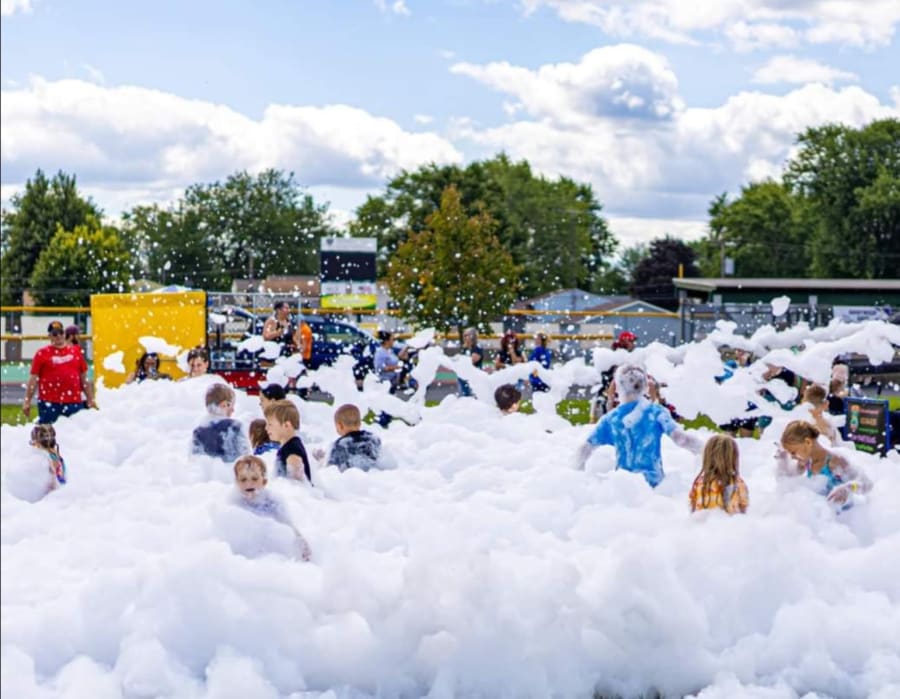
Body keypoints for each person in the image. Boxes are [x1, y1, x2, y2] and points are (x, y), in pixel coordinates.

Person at [576, 364, 703, 487]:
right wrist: (706, 452)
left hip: (623, 485)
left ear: (618, 387)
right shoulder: (655, 412)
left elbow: (585, 448)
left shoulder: (612, 418)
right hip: (653, 484)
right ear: (645, 386)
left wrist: (576, 471)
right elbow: (681, 439)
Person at [231, 455, 311, 561]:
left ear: (264, 482)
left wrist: (302, 544)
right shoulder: (235, 504)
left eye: (254, 479)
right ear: (237, 482)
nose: (249, 483)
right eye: (243, 479)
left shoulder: (272, 502)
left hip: (271, 555)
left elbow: (289, 526)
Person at [778, 420, 872, 509]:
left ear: (808, 442)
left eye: (793, 452)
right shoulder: (806, 462)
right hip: (824, 514)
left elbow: (867, 484)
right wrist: (783, 460)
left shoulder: (835, 461)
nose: (792, 457)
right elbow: (787, 479)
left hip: (845, 516)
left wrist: (848, 488)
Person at [23, 320, 95, 424]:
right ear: (50, 336)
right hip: (49, 403)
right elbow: (33, 379)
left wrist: (90, 398)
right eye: (55, 333)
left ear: (64, 333)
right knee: (47, 431)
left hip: (73, 402)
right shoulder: (42, 354)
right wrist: (27, 401)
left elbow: (83, 378)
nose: (59, 336)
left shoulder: (76, 352)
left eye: (61, 332)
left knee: (75, 431)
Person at [689, 434, 749, 514]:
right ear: (733, 458)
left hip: (703, 520)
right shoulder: (737, 483)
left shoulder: (699, 483)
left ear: (707, 456)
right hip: (729, 521)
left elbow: (693, 507)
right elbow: (744, 508)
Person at [191, 383, 249, 462]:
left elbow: (194, 460)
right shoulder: (235, 427)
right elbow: (245, 457)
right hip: (230, 469)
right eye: (231, 406)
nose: (233, 410)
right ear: (224, 405)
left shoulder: (198, 432)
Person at [318, 403, 382, 472]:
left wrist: (322, 459)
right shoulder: (373, 439)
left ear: (340, 426)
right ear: (360, 423)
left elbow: (330, 470)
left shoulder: (340, 445)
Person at [590, 330, 637, 423]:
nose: (633, 344)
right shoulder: (618, 357)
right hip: (614, 393)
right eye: (631, 341)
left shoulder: (625, 356)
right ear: (625, 342)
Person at [264, 399, 312, 483]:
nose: (266, 428)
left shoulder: (292, 451)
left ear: (286, 425)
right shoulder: (289, 446)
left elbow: (297, 484)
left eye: (270, 424)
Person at [30, 423, 67, 495]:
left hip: (52, 494)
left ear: (37, 443)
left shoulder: (46, 458)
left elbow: (56, 479)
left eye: (33, 442)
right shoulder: (55, 454)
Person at [457, 327, 484, 397]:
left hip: (474, 379)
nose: (464, 338)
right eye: (464, 336)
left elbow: (471, 362)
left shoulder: (477, 349)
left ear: (473, 337)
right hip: (463, 378)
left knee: (472, 398)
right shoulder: (465, 349)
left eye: (467, 335)